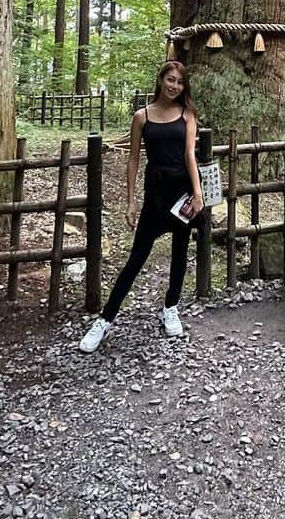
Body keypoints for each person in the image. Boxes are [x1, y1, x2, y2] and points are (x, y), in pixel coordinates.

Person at [79, 61, 204, 353]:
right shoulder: (142, 116)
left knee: (180, 252)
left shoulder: (187, 114)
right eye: (170, 80)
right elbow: (134, 158)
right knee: (136, 258)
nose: (174, 86)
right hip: (156, 191)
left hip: (181, 190)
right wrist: (131, 200)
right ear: (160, 80)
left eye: (180, 82)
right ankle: (105, 320)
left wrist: (197, 193)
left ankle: (170, 306)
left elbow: (189, 155)